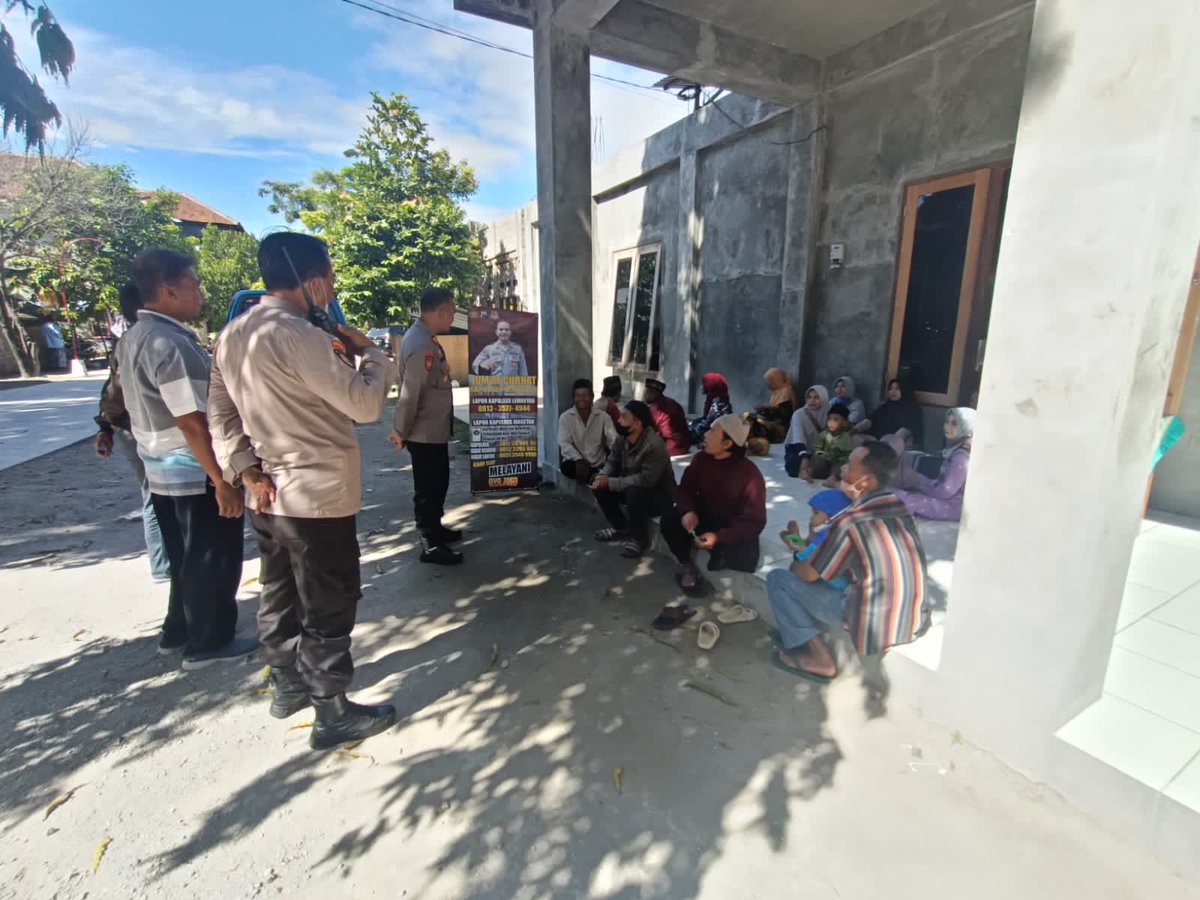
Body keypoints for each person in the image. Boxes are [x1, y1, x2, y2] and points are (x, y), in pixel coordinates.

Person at [207, 231, 398, 750]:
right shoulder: (299, 335)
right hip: (318, 497)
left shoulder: (232, 335)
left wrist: (246, 471)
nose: (330, 290)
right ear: (314, 282)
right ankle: (332, 711)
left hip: (267, 497)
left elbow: (221, 416)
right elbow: (364, 405)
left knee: (279, 590)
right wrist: (373, 354)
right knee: (328, 601)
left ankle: (286, 685)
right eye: (330, 280)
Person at [115, 249, 255, 669]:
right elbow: (194, 421)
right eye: (194, 282)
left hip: (159, 471)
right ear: (168, 289)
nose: (201, 291)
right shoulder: (169, 344)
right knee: (212, 556)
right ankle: (208, 641)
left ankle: (178, 630)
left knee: (184, 557)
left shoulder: (134, 338)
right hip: (192, 471)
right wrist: (222, 481)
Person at [768, 443, 930, 682]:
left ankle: (819, 658)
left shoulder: (851, 521)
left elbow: (809, 574)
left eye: (850, 466)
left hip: (876, 624)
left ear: (864, 482)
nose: (843, 469)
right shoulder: (899, 507)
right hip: (913, 619)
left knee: (779, 580)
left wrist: (797, 559)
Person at [391, 287, 462, 566]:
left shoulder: (424, 337)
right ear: (442, 311)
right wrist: (400, 431)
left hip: (433, 431)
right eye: (452, 313)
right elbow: (411, 393)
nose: (452, 319)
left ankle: (436, 529)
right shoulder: (421, 344)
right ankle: (430, 543)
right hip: (423, 433)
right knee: (428, 488)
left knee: (438, 482)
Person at [93, 327, 170, 584]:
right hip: (145, 429)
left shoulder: (127, 344)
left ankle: (163, 563)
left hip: (129, 427)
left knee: (152, 494)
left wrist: (105, 427)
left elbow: (111, 391)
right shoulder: (155, 340)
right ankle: (164, 564)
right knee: (156, 494)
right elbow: (115, 390)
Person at [660, 414, 766, 593]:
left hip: (730, 524)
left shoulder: (750, 474)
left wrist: (719, 537)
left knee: (745, 554)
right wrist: (688, 511)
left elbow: (754, 522)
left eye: (712, 431)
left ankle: (718, 553)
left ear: (727, 444)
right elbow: (685, 490)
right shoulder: (701, 459)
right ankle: (688, 566)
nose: (705, 434)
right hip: (705, 515)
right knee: (670, 519)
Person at [590, 399, 676, 559]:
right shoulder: (622, 439)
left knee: (634, 492)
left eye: (624, 416)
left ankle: (639, 538)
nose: (618, 420)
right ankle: (620, 527)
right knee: (597, 482)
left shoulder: (654, 445)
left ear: (638, 422)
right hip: (631, 486)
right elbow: (612, 462)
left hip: (658, 495)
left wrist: (611, 482)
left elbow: (646, 481)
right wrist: (603, 476)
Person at [891, 407, 975, 521]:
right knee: (909, 482)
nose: (947, 427)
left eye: (954, 424)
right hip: (948, 497)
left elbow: (946, 490)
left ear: (967, 427)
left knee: (905, 498)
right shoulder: (960, 446)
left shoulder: (961, 456)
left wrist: (922, 488)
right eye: (947, 422)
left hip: (954, 506)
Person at [558, 377, 617, 484]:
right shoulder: (565, 418)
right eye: (578, 396)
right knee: (566, 467)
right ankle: (592, 477)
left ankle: (594, 476)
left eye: (585, 395)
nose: (581, 399)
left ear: (592, 397)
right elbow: (564, 444)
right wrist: (579, 460)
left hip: (598, 463)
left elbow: (613, 440)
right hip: (577, 463)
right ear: (573, 398)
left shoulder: (603, 417)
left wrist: (613, 459)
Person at [800, 404, 855, 485]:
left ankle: (832, 478)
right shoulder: (823, 435)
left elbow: (847, 456)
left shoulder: (846, 438)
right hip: (823, 465)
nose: (831, 422)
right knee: (817, 458)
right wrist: (822, 454)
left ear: (844, 423)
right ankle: (808, 474)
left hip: (835, 466)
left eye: (836, 419)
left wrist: (835, 457)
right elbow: (816, 449)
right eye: (829, 419)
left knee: (842, 464)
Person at [746, 367, 798, 453]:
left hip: (780, 429)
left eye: (770, 381)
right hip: (772, 423)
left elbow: (783, 414)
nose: (768, 384)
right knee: (747, 417)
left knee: (754, 422)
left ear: (776, 380)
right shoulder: (776, 392)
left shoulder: (786, 392)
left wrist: (766, 410)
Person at [783, 384, 830, 477]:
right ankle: (808, 469)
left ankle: (809, 471)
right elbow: (798, 437)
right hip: (797, 448)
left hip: (818, 450)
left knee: (824, 467)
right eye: (809, 397)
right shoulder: (799, 414)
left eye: (816, 397)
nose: (812, 400)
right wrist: (804, 458)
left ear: (824, 398)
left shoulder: (828, 413)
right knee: (793, 465)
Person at [866, 378, 925, 447]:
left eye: (897, 389)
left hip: (897, 443)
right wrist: (854, 430)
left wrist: (890, 441)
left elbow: (905, 431)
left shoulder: (913, 408)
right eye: (890, 389)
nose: (893, 392)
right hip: (880, 440)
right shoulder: (885, 407)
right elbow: (869, 420)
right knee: (856, 438)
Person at [644, 377, 691, 457]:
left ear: (654, 393)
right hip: (684, 445)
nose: (645, 395)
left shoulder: (656, 408)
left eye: (647, 392)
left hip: (671, 448)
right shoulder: (671, 402)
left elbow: (647, 430)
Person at [689, 372, 733, 445]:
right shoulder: (715, 398)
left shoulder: (718, 404)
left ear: (711, 385)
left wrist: (692, 431)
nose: (701, 387)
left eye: (703, 384)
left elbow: (707, 424)